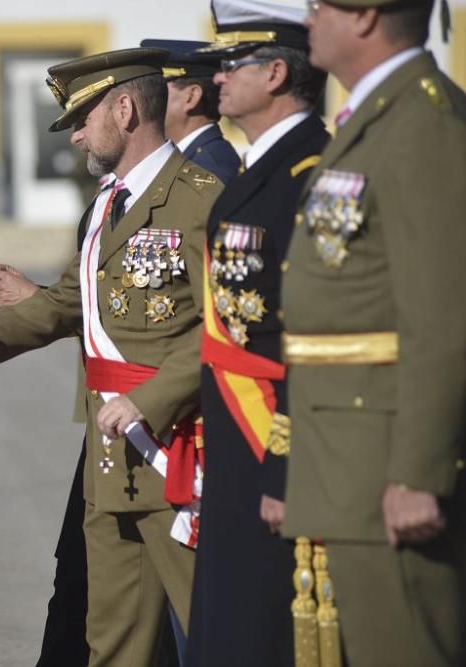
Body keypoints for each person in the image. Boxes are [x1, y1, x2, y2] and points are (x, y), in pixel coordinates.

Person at [0, 39, 243, 667]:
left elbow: (227, 330)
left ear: (124, 111)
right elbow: (68, 304)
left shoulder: (204, 198)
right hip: (111, 463)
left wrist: (147, 400)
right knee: (113, 645)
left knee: (218, 641)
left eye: (83, 119)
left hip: (181, 453)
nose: (75, 137)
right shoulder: (107, 204)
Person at [282, 0, 464, 664]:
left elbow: (444, 315)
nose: (307, 21)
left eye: (318, 7)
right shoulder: (377, 119)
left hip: (388, 467)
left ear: (364, 17)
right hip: (348, 459)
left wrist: (418, 471)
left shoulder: (421, 123)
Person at [180, 2, 331, 665]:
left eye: (230, 65)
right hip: (235, 440)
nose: (216, 79)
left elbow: (319, 331)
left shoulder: (312, 174)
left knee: (264, 631)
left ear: (275, 74)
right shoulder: (252, 171)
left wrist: (289, 462)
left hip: (275, 439)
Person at [141, 39, 241, 185]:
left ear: (191, 97)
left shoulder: (210, 169)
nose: (145, 97)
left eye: (156, 88)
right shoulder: (190, 159)